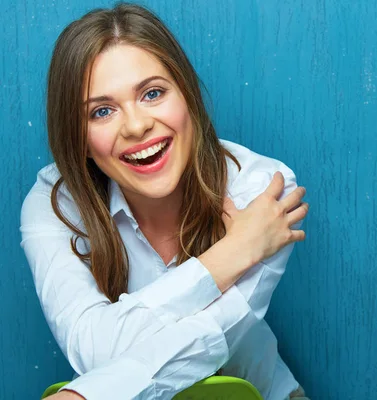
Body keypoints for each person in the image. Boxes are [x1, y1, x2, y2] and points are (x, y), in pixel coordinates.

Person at [20, 3, 309, 400]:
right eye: (102, 111)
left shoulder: (258, 189)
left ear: (186, 94)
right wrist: (233, 252)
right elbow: (93, 351)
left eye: (152, 93)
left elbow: (213, 335)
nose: (137, 126)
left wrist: (86, 395)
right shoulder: (55, 204)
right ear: (78, 137)